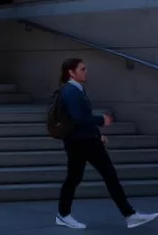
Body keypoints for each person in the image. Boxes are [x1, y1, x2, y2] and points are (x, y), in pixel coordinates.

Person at [55, 58, 157, 229]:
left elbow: (79, 119)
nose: (85, 72)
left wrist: (97, 133)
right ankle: (129, 215)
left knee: (74, 178)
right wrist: (102, 120)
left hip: (80, 141)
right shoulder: (72, 91)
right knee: (108, 175)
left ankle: (63, 214)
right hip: (83, 142)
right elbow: (79, 118)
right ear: (71, 72)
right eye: (82, 69)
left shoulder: (74, 90)